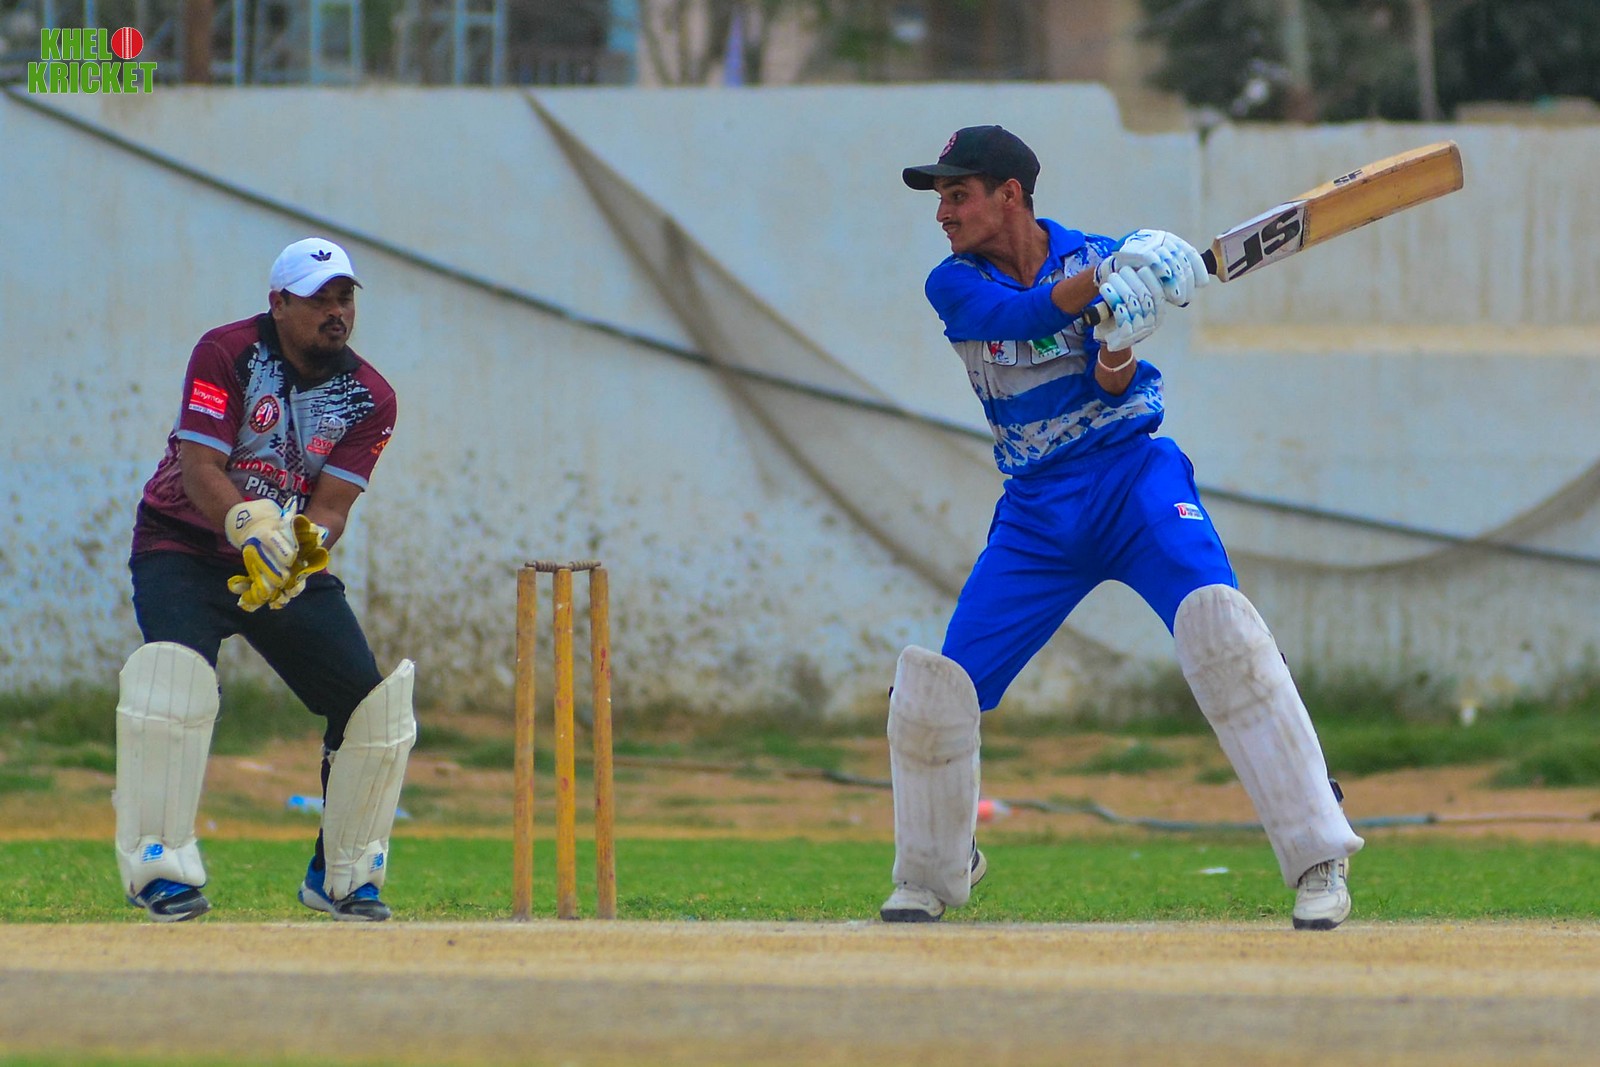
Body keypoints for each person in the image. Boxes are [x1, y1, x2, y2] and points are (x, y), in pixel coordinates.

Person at [880, 126, 1363, 929]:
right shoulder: (954, 283)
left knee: (1223, 632)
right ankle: (934, 866)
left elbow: (1113, 384)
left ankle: (1319, 850)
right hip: (1038, 510)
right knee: (938, 691)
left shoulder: (1101, 257)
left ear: (1010, 194)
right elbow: (1024, 315)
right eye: (941, 198)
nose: (943, 213)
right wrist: (1110, 278)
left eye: (958, 194)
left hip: (1134, 480)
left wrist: (1116, 339)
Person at [115, 237, 416, 923]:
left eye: (344, 298)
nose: (336, 312)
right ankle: (159, 870)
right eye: (318, 299)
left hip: (276, 563)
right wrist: (248, 524)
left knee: (370, 707)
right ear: (278, 303)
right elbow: (199, 469)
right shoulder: (228, 352)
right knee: (173, 683)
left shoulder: (370, 397)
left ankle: (345, 876)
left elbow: (333, 506)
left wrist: (304, 547)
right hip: (182, 546)